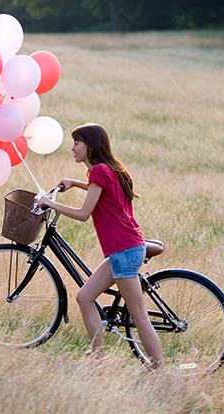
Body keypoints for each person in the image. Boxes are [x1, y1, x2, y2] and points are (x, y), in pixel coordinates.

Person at [38, 123, 165, 368]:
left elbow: (84, 213)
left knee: (138, 315)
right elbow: (102, 190)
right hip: (125, 248)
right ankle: (98, 360)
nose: (72, 147)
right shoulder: (110, 170)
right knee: (84, 297)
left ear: (91, 145)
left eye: (77, 142)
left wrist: (50, 204)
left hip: (123, 251)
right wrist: (74, 183)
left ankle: (159, 369)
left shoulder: (98, 172)